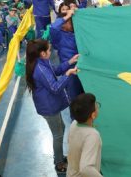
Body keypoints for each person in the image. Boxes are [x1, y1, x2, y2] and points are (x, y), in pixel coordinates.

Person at [25, 39, 78, 174]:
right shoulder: (40, 69)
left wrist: (69, 62)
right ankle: (59, 163)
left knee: (61, 129)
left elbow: (54, 71)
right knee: (58, 134)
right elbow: (55, 88)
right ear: (42, 53)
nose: (51, 51)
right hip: (49, 108)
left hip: (51, 104)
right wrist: (68, 74)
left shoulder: (42, 62)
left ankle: (59, 157)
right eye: (49, 50)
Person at [67, 93, 103, 177]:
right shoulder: (92, 135)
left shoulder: (74, 124)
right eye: (96, 105)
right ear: (93, 115)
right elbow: (86, 168)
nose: (97, 106)